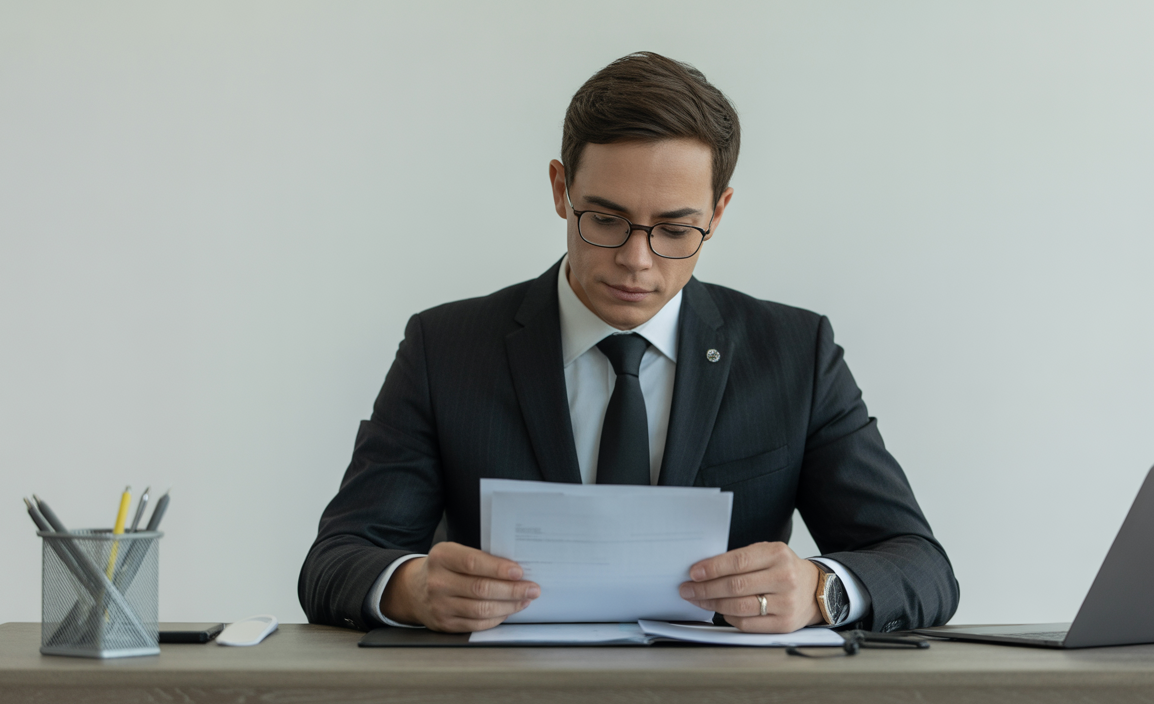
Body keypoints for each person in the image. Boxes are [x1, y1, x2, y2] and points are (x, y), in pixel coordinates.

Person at [299, 51, 959, 635]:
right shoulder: (445, 349)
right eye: (606, 220)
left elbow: (919, 564)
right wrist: (411, 589)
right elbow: (337, 560)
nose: (637, 261)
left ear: (718, 213)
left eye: (675, 229)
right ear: (561, 190)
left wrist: (822, 591)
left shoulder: (795, 354)